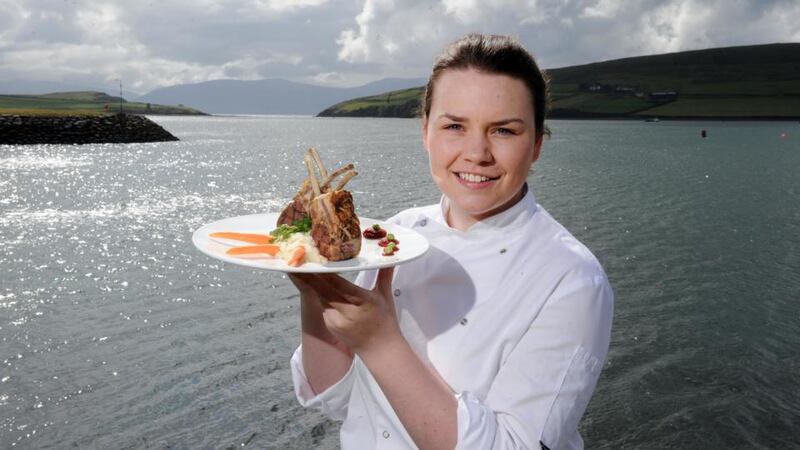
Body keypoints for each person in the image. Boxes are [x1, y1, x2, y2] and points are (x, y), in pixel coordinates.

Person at [288, 34, 613, 450]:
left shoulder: (572, 280)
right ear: (425, 132)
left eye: (504, 130)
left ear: (535, 146)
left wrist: (380, 341)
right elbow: (333, 398)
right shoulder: (393, 235)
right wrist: (314, 285)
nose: (477, 153)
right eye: (455, 126)